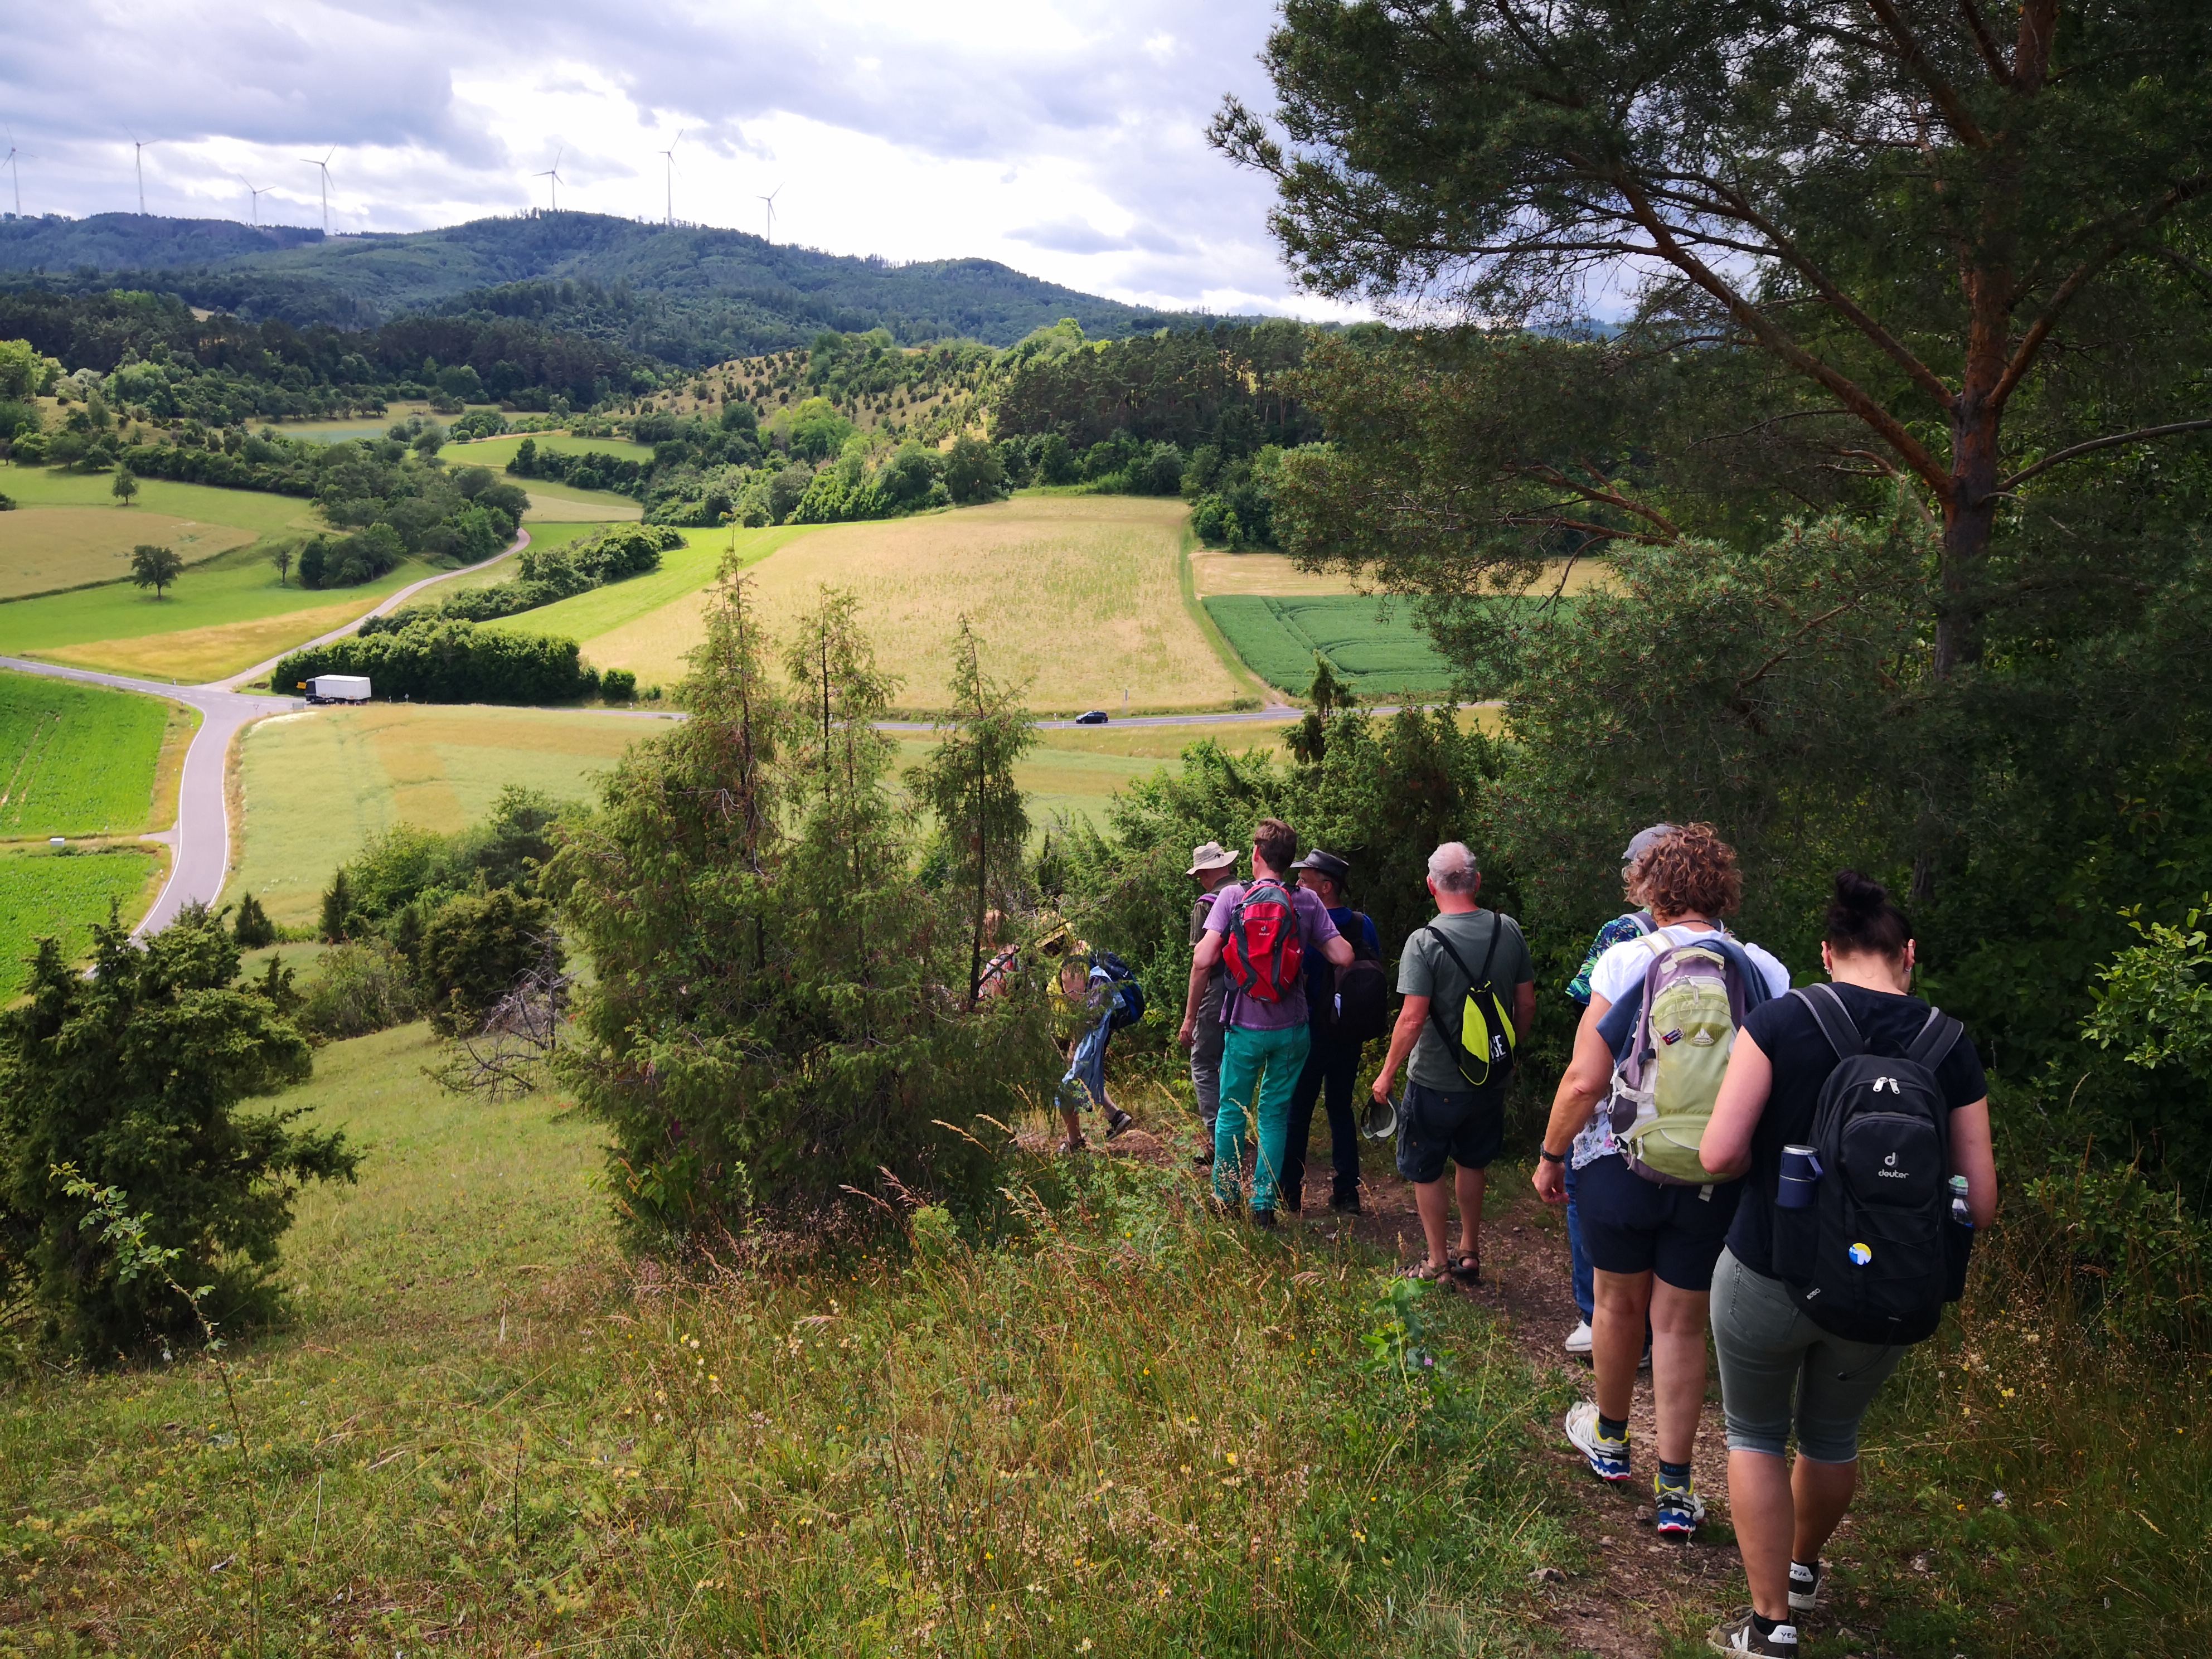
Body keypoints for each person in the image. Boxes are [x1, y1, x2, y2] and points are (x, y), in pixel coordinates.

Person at [1696, 872, 1995, 1657]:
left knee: (1754, 1435)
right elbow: (1980, 1201)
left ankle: (1770, 1627)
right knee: (1831, 1437)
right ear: (1909, 954)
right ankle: (1799, 1569)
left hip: (1767, 1270)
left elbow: (1719, 1154)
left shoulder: (1781, 1021)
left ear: (1826, 954)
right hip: (1887, 1287)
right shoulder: (1949, 1045)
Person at [1532, 823, 1789, 1540]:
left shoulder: (1624, 960)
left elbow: (1584, 1079)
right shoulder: (1761, 969)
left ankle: (1611, 1443)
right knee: (1679, 1322)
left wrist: (1551, 1154)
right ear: (1722, 889)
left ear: (1650, 890)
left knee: (1617, 1306)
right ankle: (1675, 1487)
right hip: (1713, 1170)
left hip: (1619, 1163)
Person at [1369, 842, 1535, 1280]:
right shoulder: (1507, 930)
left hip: (1435, 1079)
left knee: (1426, 1168)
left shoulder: (1424, 942)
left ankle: (1437, 1262)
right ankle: (1470, 1251)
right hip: (1491, 1077)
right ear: (1476, 881)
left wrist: (1386, 1074)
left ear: (1431, 885)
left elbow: (1412, 1019)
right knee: (1472, 1160)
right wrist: (1508, 1054)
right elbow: (1526, 1004)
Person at [1181, 818, 1355, 1225]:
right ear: (1290, 860)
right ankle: (1263, 1207)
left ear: (1256, 854)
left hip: (1244, 1026)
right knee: (1274, 1114)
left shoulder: (1232, 896)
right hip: (1291, 1030)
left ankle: (1226, 1198)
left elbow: (1202, 959)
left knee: (1231, 1112)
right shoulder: (1305, 901)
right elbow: (1344, 955)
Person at [1559, 824, 1676, 1355]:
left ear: (1641, 873)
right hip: (1690, 1103)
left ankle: (1595, 1318)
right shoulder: (1722, 935)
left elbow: (1591, 1011)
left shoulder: (1622, 933)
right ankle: (1655, 1330)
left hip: (1618, 1102)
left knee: (1583, 1189)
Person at [1283, 847, 1381, 1215]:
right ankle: (1347, 1191)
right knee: (1340, 1108)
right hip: (1349, 1032)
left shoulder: (1308, 922)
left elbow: (1296, 974)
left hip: (1310, 1030)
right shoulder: (1362, 924)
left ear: (1326, 887)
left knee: (1298, 1110)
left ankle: (1290, 1191)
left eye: (1304, 880)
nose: (1297, 885)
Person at [1180, 841, 1241, 1168]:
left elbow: (1202, 964)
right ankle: (1238, 1129)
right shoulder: (1251, 891)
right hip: (1256, 989)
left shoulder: (1206, 905)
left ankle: (1219, 1139)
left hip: (1219, 989)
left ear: (1206, 873)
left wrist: (1190, 1018)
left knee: (1203, 1060)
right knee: (1236, 1059)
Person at [1055, 944, 1137, 1153]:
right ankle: (1114, 1116)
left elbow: (1081, 1013)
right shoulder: (1090, 961)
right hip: (1100, 1030)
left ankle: (1075, 1143)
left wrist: (1074, 1045)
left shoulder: (1072, 966)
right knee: (1082, 1080)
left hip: (1091, 1034)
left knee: (1066, 1090)